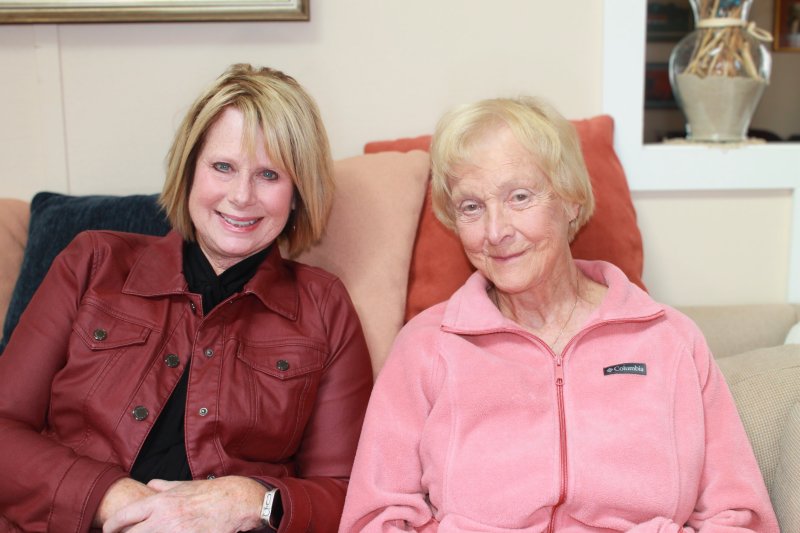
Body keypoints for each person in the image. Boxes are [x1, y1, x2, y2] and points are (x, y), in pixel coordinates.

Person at [338, 97, 779, 532]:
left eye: (519, 197)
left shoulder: (669, 340)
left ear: (570, 201)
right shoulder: (427, 346)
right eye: (471, 207)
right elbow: (375, 518)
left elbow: (738, 515)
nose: (495, 232)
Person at [0, 63, 373, 532]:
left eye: (269, 175)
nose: (241, 196)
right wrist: (109, 496)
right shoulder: (92, 262)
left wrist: (248, 499)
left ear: (297, 194)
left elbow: (347, 489)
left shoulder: (324, 307)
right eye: (223, 167)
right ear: (189, 170)